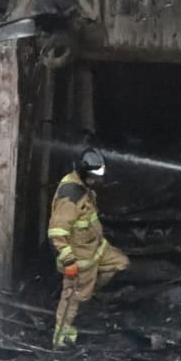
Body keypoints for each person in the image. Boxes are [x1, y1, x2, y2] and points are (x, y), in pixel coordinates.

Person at [46, 149, 129, 348]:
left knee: (120, 263)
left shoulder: (83, 188)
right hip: (79, 258)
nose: (96, 181)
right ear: (83, 173)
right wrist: (69, 261)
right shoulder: (70, 197)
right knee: (73, 296)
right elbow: (56, 232)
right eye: (93, 177)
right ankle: (62, 336)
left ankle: (88, 294)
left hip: (97, 248)